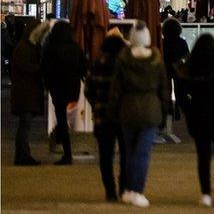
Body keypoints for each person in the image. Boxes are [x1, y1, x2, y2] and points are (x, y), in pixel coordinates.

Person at [110, 21, 169, 208]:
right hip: (150, 110)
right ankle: (137, 190)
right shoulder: (156, 60)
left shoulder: (123, 59)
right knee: (142, 153)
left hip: (127, 109)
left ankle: (127, 189)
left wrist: (113, 110)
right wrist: (165, 110)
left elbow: (116, 89)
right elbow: (164, 88)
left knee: (128, 152)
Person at [180, 33, 214, 207]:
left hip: (198, 113)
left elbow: (183, 91)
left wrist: (188, 110)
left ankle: (205, 193)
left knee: (203, 155)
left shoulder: (190, 66)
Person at [88, 30, 128, 201]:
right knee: (126, 155)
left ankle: (110, 192)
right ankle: (124, 188)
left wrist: (97, 104)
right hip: (123, 116)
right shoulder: (126, 66)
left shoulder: (97, 64)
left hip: (102, 116)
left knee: (105, 156)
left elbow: (88, 90)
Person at [41, 20, 87, 165]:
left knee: (61, 118)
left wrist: (48, 85)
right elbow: (84, 69)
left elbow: (45, 68)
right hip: (73, 88)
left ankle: (66, 152)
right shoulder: (75, 48)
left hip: (57, 88)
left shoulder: (51, 48)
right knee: (70, 117)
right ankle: (64, 142)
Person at [10, 19, 46, 166]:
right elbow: (26, 67)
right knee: (25, 126)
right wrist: (40, 67)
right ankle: (23, 156)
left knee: (24, 126)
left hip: (25, 93)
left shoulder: (25, 46)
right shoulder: (25, 47)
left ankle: (23, 155)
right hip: (25, 94)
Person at [161, 18, 190, 120]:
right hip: (179, 68)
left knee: (167, 90)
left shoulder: (162, 42)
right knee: (179, 90)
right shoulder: (182, 42)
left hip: (166, 68)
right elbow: (186, 56)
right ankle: (177, 109)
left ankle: (169, 110)